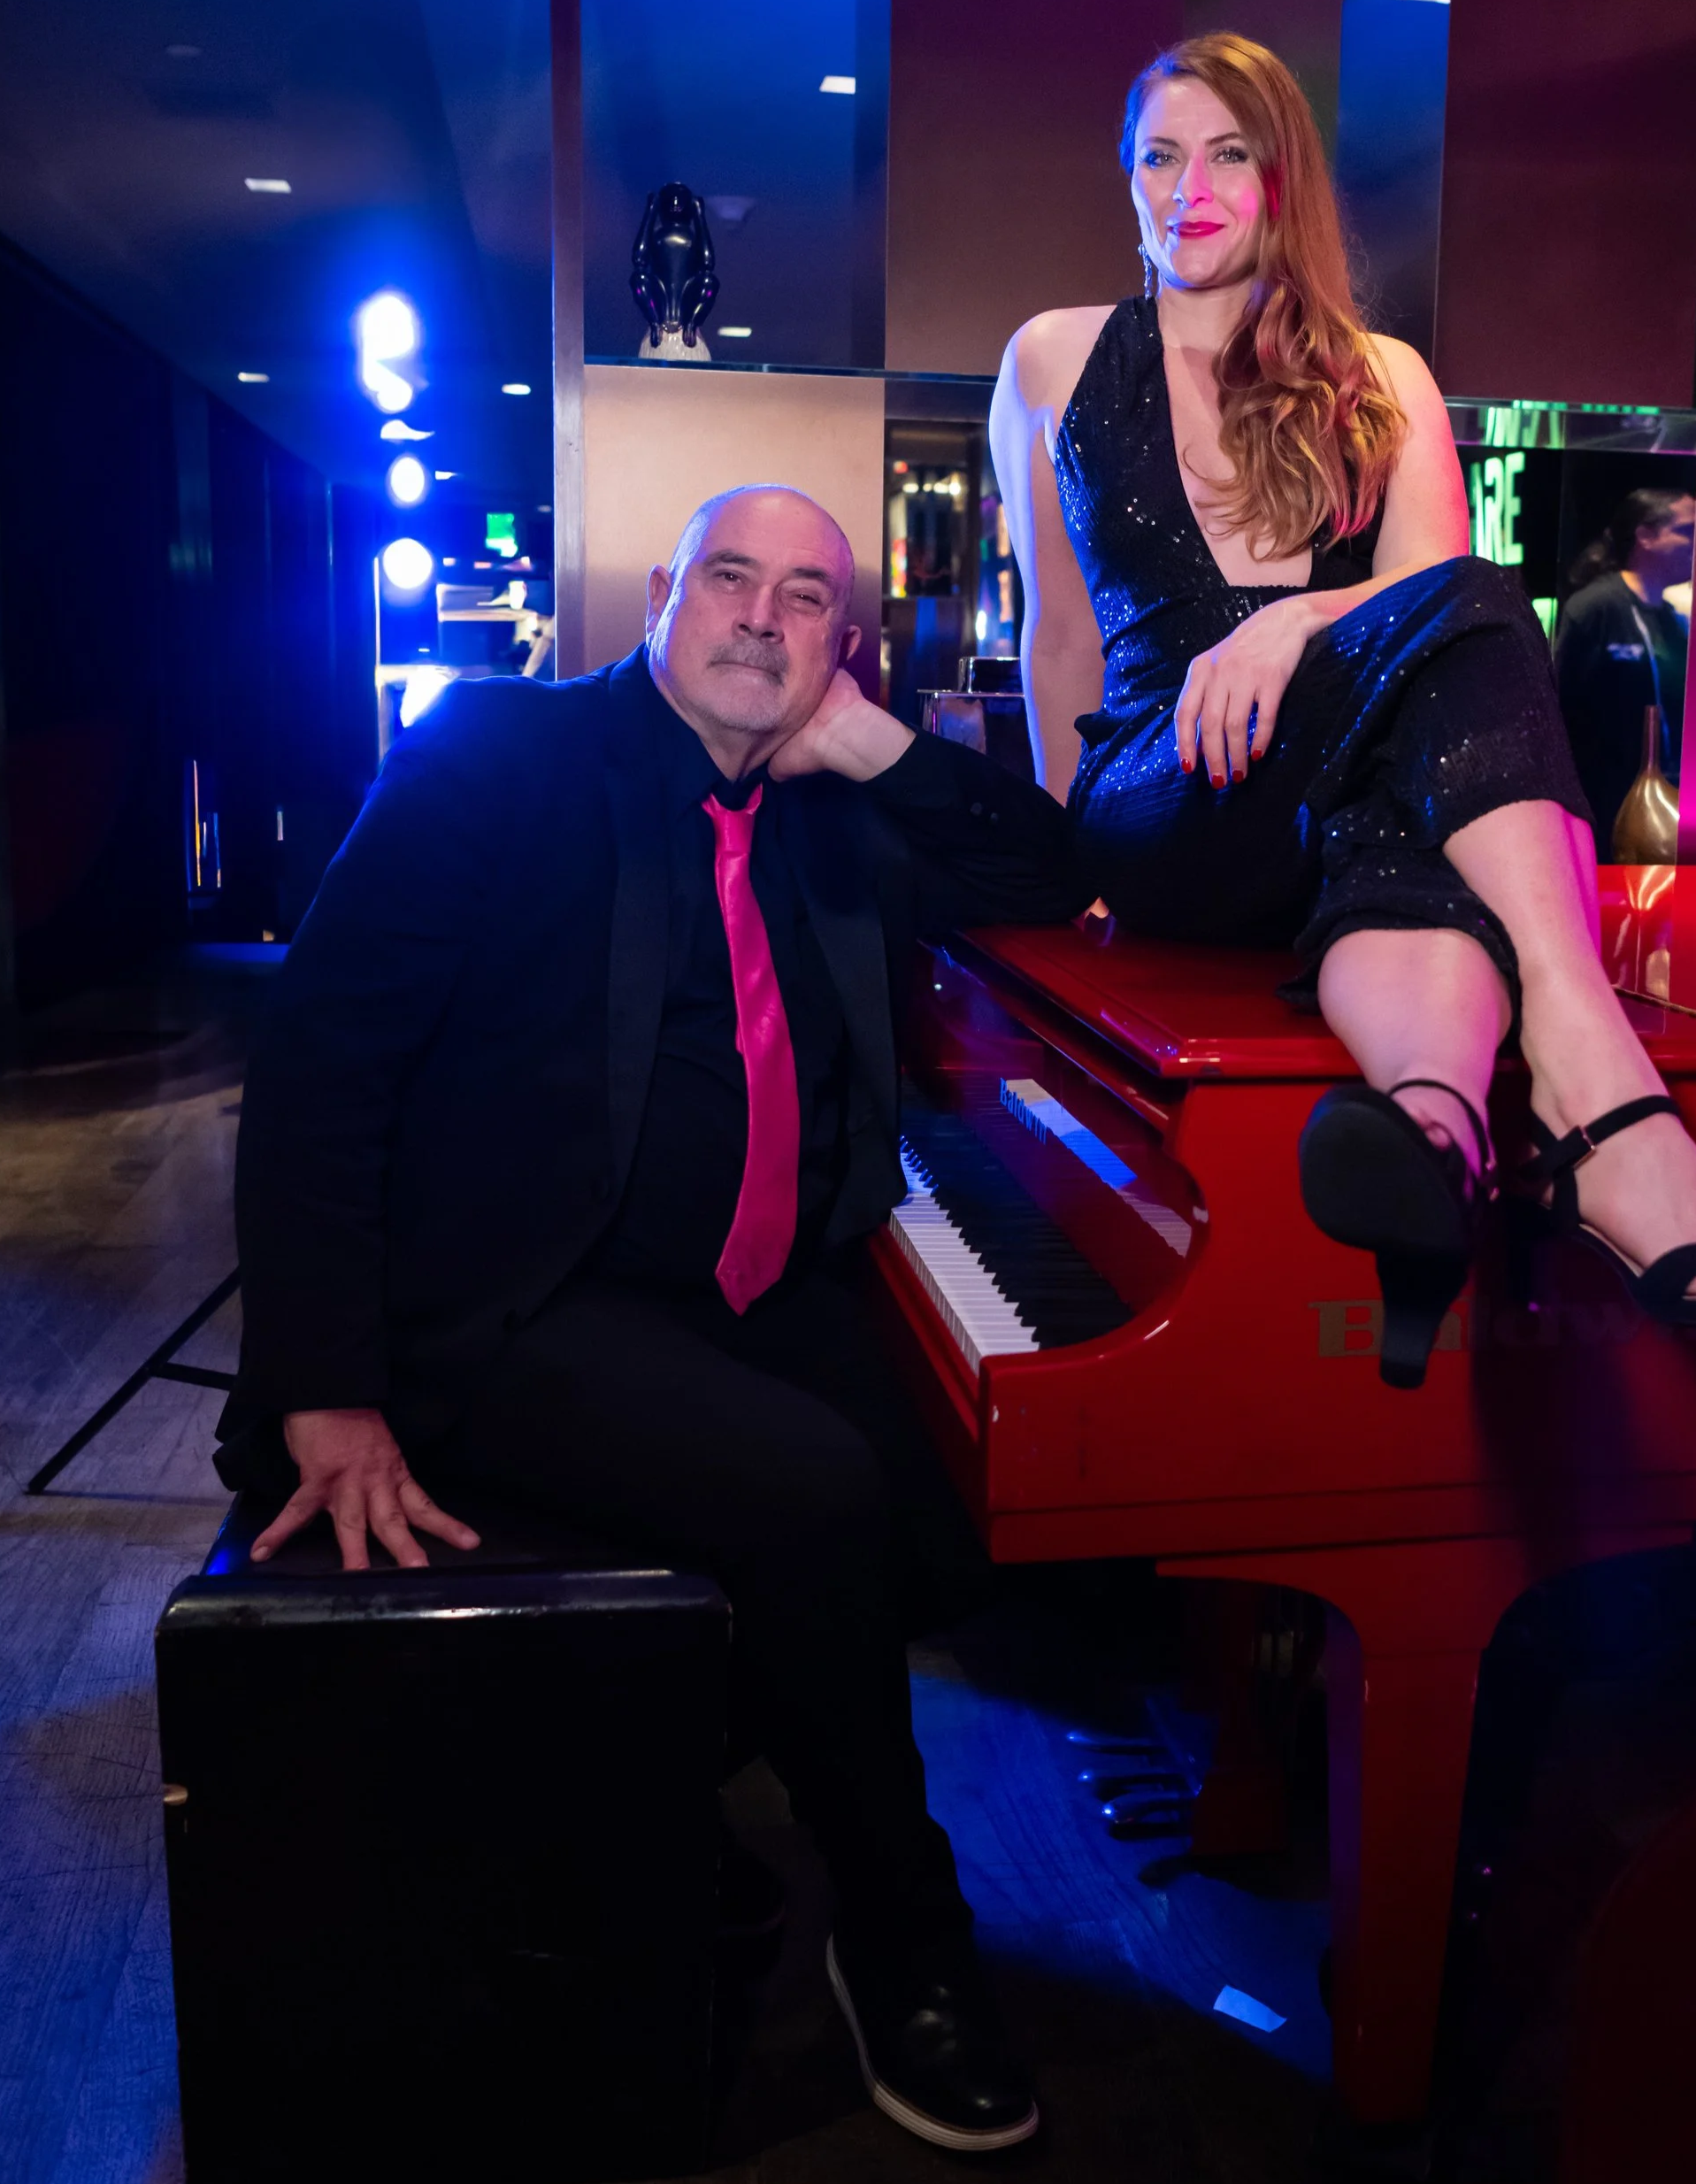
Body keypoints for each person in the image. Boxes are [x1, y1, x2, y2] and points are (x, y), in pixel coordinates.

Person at [217, 485, 1084, 2155]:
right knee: (817, 1497)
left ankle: (642, 1808)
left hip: (755, 1291)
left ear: (847, 646)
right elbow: (320, 1078)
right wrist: (327, 1385)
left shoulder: (835, 803)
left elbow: (1045, 868)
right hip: (518, 1299)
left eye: (807, 597)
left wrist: (882, 752)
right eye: (730, 580)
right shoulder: (496, 758)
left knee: (971, 1517)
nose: (762, 618)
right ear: (661, 602)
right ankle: (907, 1942)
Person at [989, 33, 1696, 1390]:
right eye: (1160, 157)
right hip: (1164, 799)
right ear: (1129, 180)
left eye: (1231, 157)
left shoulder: (1382, 378)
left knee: (1430, 753)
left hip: (1332, 824)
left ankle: (1434, 1140)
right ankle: (1599, 1097)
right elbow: (1054, 638)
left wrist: (1291, 620)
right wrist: (1057, 873)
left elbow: (1434, 621)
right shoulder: (1053, 358)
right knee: (1484, 600)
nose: (1190, 190)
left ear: (1286, 187)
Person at [1553, 489, 1695, 857]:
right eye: (1688, 532)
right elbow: (1558, 712)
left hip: (1667, 806)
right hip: (1604, 808)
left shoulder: (1671, 618)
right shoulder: (1596, 607)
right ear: (1647, 536)